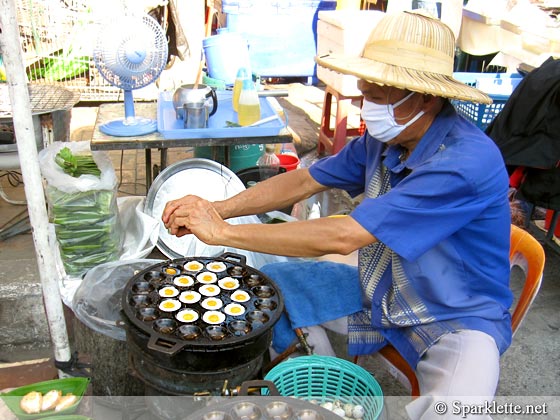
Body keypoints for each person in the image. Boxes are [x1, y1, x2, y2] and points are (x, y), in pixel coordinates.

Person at [163, 11, 513, 419]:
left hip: (454, 316)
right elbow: (304, 182)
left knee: (458, 412)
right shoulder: (387, 140)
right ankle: (321, 387)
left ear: (425, 98)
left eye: (378, 96)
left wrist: (223, 233)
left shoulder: (463, 162)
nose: (366, 106)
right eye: (364, 92)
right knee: (268, 289)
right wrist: (216, 207)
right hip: (385, 288)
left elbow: (345, 236)